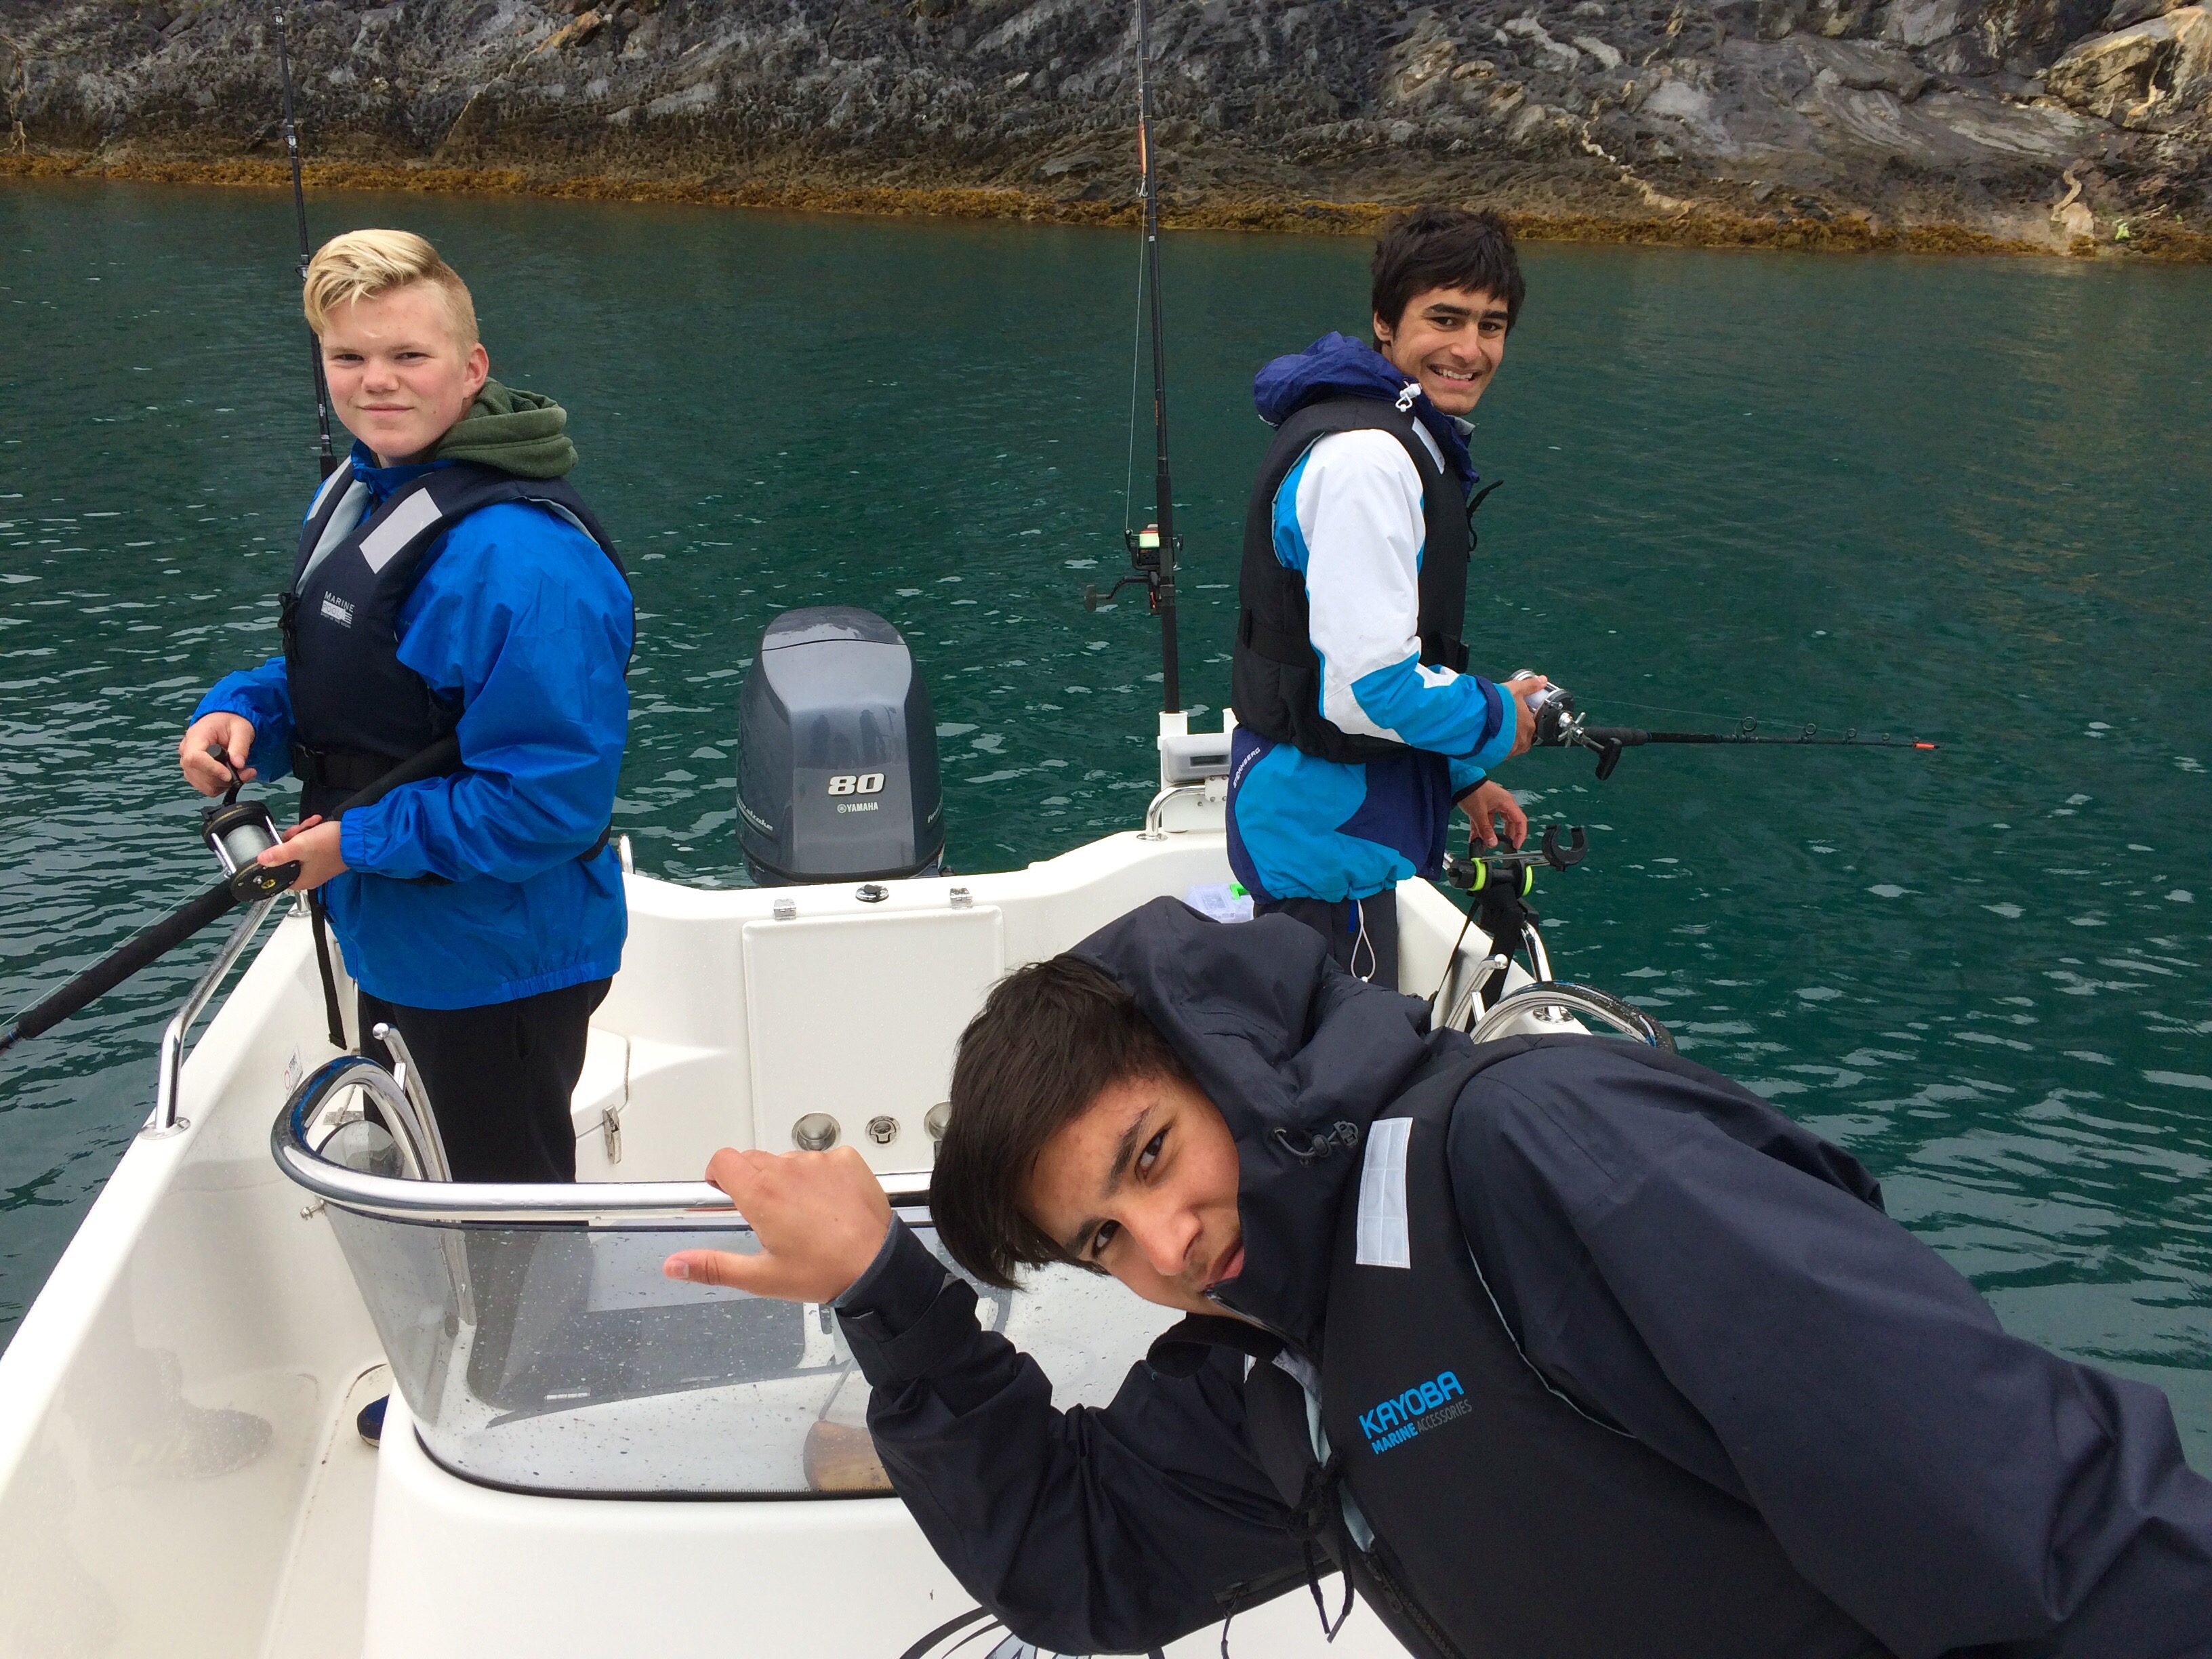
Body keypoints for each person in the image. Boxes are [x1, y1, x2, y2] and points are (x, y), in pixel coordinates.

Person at [665, 899, 2212, 1658]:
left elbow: (2022, 1509)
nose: (1166, 1245)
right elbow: (1086, 1560)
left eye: (1151, 1154)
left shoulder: (1537, 1146)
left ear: (1228, 1061)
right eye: (1101, 1242)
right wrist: (888, 1289)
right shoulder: (1276, 1369)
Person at [178, 228, 632, 1187]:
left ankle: (528, 1300)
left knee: (508, 1221)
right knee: (432, 1178)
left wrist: (353, 844)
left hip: (494, 963)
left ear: (472, 369)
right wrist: (248, 711)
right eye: (349, 357)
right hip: (392, 930)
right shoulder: (361, 486)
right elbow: (368, 677)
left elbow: (549, 803)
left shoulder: (522, 561)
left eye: (408, 356)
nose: (376, 382)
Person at [1229, 206, 1553, 991]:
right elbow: (1369, 691)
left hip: (1328, 824)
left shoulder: (1379, 434)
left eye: (1491, 326)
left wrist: (1460, 777)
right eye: (1445, 319)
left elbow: (1342, 658)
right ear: (1384, 320)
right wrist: (1502, 719)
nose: (1470, 350)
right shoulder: (1368, 464)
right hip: (1325, 852)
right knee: (1341, 1056)